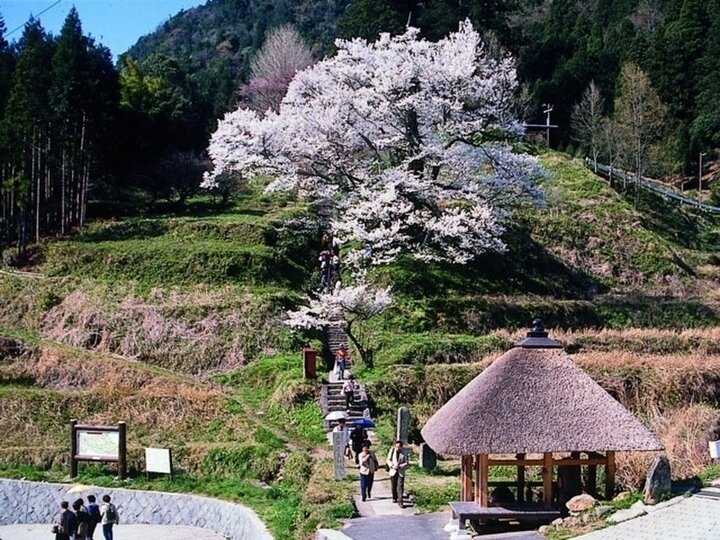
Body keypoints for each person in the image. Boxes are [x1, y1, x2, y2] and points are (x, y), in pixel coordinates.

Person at [386, 440, 408, 507]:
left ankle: (400, 501)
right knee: (394, 486)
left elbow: (406, 462)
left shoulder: (404, 453)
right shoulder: (392, 451)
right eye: (396, 447)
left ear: (401, 447)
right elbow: (388, 460)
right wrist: (392, 466)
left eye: (399, 447)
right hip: (393, 471)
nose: (397, 448)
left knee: (400, 486)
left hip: (400, 472)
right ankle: (394, 497)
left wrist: (400, 466)